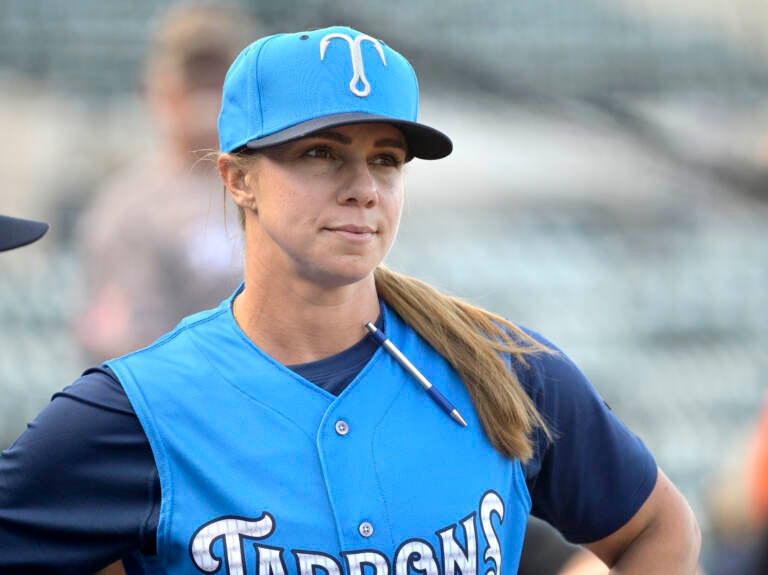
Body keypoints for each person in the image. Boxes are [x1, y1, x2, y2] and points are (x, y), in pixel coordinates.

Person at [0, 25, 701, 573]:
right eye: (320, 153)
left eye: (386, 158)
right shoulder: (133, 412)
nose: (362, 184)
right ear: (237, 178)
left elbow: (660, 529)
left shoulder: (507, 369)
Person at [74, 2, 254, 363]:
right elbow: (126, 347)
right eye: (194, 79)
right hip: (178, 399)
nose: (206, 95)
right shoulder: (128, 205)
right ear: (162, 89)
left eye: (217, 79)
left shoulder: (275, 188)